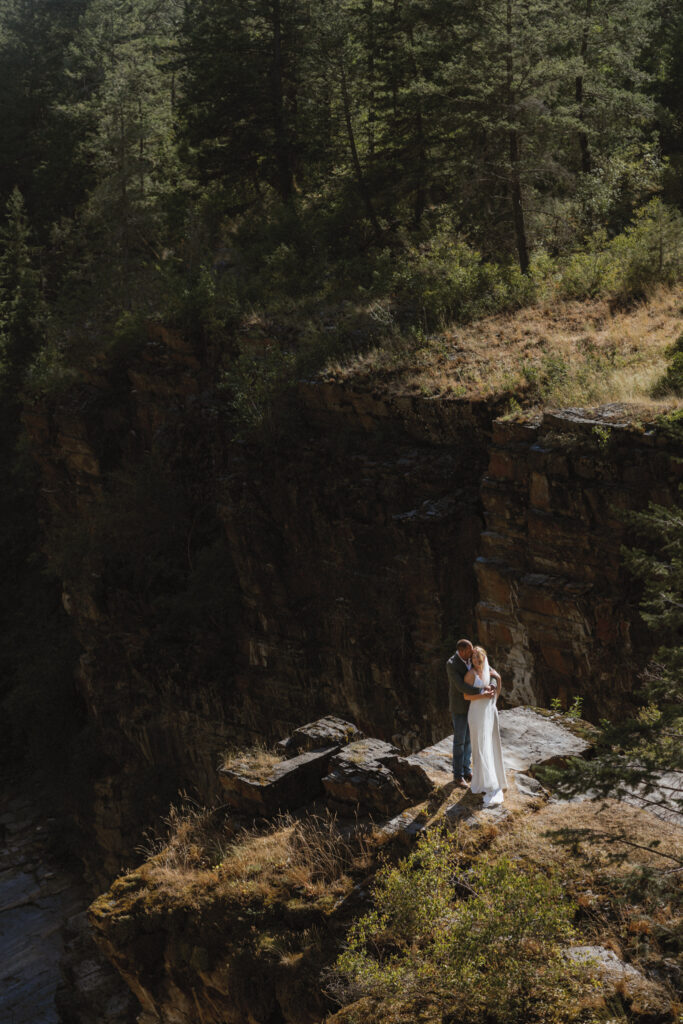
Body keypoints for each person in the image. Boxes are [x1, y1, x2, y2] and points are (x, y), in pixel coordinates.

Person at [446, 638, 496, 788]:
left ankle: (467, 770)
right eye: (469, 651)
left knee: (469, 739)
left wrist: (492, 685)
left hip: (474, 706)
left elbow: (490, 671)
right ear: (462, 651)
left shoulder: (472, 657)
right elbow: (461, 687)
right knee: (460, 741)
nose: (473, 653)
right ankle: (457, 775)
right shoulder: (451, 664)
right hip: (460, 707)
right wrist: (482, 690)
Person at [463, 645, 507, 807]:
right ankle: (482, 780)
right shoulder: (470, 675)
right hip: (476, 714)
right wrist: (482, 694)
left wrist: (499, 679)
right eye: (473, 657)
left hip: (490, 712)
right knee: (479, 745)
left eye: (478, 656)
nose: (476, 660)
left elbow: (497, 693)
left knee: (492, 743)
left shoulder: (490, 672)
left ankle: (496, 777)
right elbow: (466, 696)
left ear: (483, 657)